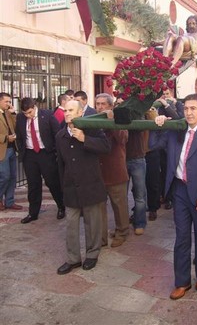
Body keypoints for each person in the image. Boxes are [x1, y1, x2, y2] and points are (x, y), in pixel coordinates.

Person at [149, 94, 197, 300]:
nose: (189, 113)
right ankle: (181, 282)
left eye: (193, 108)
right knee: (181, 238)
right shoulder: (176, 131)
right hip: (180, 191)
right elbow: (153, 145)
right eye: (186, 109)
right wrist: (159, 124)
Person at [56, 100, 111, 275]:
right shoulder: (60, 136)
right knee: (71, 224)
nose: (67, 113)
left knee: (92, 223)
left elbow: (106, 147)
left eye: (71, 110)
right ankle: (73, 259)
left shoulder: (92, 129)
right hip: (71, 187)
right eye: (65, 110)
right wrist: (63, 187)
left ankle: (92, 254)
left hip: (91, 185)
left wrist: (84, 138)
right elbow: (60, 165)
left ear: (81, 113)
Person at [16, 97, 65, 223]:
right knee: (33, 185)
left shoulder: (47, 115)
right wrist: (22, 150)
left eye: (30, 112)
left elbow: (57, 134)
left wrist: (55, 151)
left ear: (35, 107)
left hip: (46, 154)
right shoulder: (20, 118)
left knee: (52, 182)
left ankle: (61, 206)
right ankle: (33, 213)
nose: (28, 115)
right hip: (30, 155)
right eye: (25, 113)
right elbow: (19, 136)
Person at [95, 93, 130, 248]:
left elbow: (123, 138)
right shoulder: (93, 120)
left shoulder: (119, 117)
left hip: (116, 171)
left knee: (119, 205)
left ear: (110, 106)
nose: (100, 107)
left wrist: (111, 121)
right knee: (99, 207)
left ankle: (122, 232)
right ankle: (101, 238)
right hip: (98, 172)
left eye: (103, 104)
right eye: (98, 104)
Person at [0, 92, 22, 211]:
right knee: (5, 176)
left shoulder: (8, 113)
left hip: (12, 148)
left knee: (13, 176)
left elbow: (15, 125)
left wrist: (13, 113)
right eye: (6, 101)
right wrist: (5, 138)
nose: (8, 104)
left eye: (9, 101)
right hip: (2, 149)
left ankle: (9, 201)